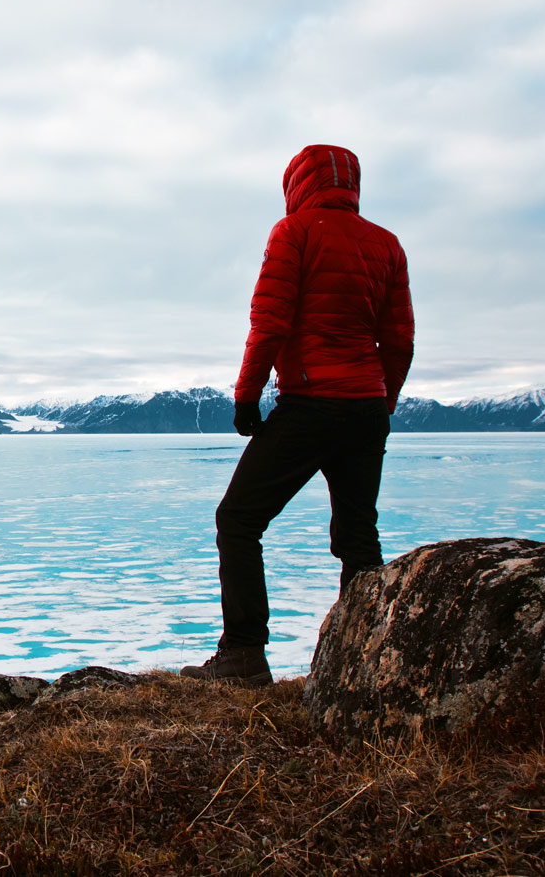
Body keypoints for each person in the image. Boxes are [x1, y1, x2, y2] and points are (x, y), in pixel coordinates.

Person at [181, 144, 415, 687]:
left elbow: (271, 320)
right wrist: (384, 401)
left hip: (310, 404)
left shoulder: (294, 232)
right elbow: (399, 338)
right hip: (365, 410)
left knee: (238, 520)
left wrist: (247, 395)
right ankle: (363, 662)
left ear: (297, 182)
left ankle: (243, 654)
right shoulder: (387, 245)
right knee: (358, 537)